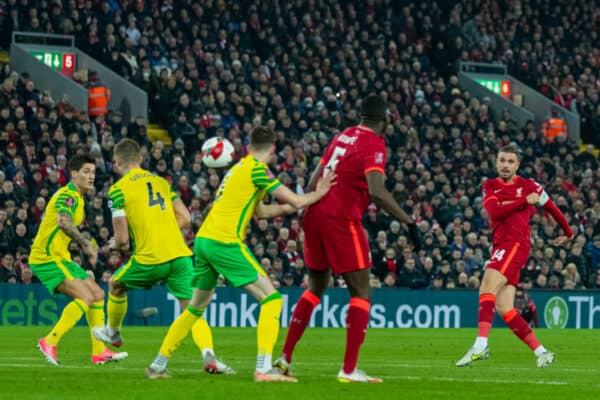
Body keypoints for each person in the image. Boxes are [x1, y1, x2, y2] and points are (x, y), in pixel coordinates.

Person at [145, 126, 334, 382]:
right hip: (224, 241)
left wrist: (289, 208)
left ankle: (157, 365)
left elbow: (261, 212)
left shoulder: (240, 169)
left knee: (195, 308)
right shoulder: (258, 169)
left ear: (247, 147)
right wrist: (320, 192)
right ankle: (264, 369)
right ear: (273, 149)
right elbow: (299, 200)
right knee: (272, 299)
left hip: (204, 241)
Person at [273, 94, 420, 383]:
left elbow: (315, 181)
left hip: (314, 214)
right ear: (385, 119)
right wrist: (408, 222)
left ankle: (285, 358)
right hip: (341, 218)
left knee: (316, 286)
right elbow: (377, 190)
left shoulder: (343, 136)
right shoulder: (373, 143)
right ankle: (349, 370)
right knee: (362, 291)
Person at [93, 139, 233, 375]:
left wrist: (112, 245)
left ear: (116, 163)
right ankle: (209, 355)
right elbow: (186, 218)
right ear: (140, 159)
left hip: (150, 258)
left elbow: (123, 239)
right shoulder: (161, 182)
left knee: (115, 284)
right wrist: (162, 229)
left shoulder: (117, 191)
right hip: (179, 256)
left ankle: (113, 332)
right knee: (193, 309)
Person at [456, 143, 573, 368]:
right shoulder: (490, 186)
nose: (506, 165)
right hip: (501, 245)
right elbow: (494, 211)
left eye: (511, 161)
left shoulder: (529, 185)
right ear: (496, 162)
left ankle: (480, 346)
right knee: (504, 308)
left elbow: (551, 207)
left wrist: (568, 232)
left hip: (515, 244)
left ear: (517, 164)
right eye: (502, 160)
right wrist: (523, 201)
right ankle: (542, 352)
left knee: (486, 287)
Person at [30, 153, 127, 365]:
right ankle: (49, 341)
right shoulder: (69, 195)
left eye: (93, 171)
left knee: (98, 294)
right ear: (74, 174)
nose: (91, 176)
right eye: (86, 171)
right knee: (86, 296)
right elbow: (63, 222)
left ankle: (99, 351)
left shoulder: (79, 199)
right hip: (46, 258)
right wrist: (86, 246)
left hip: (61, 257)